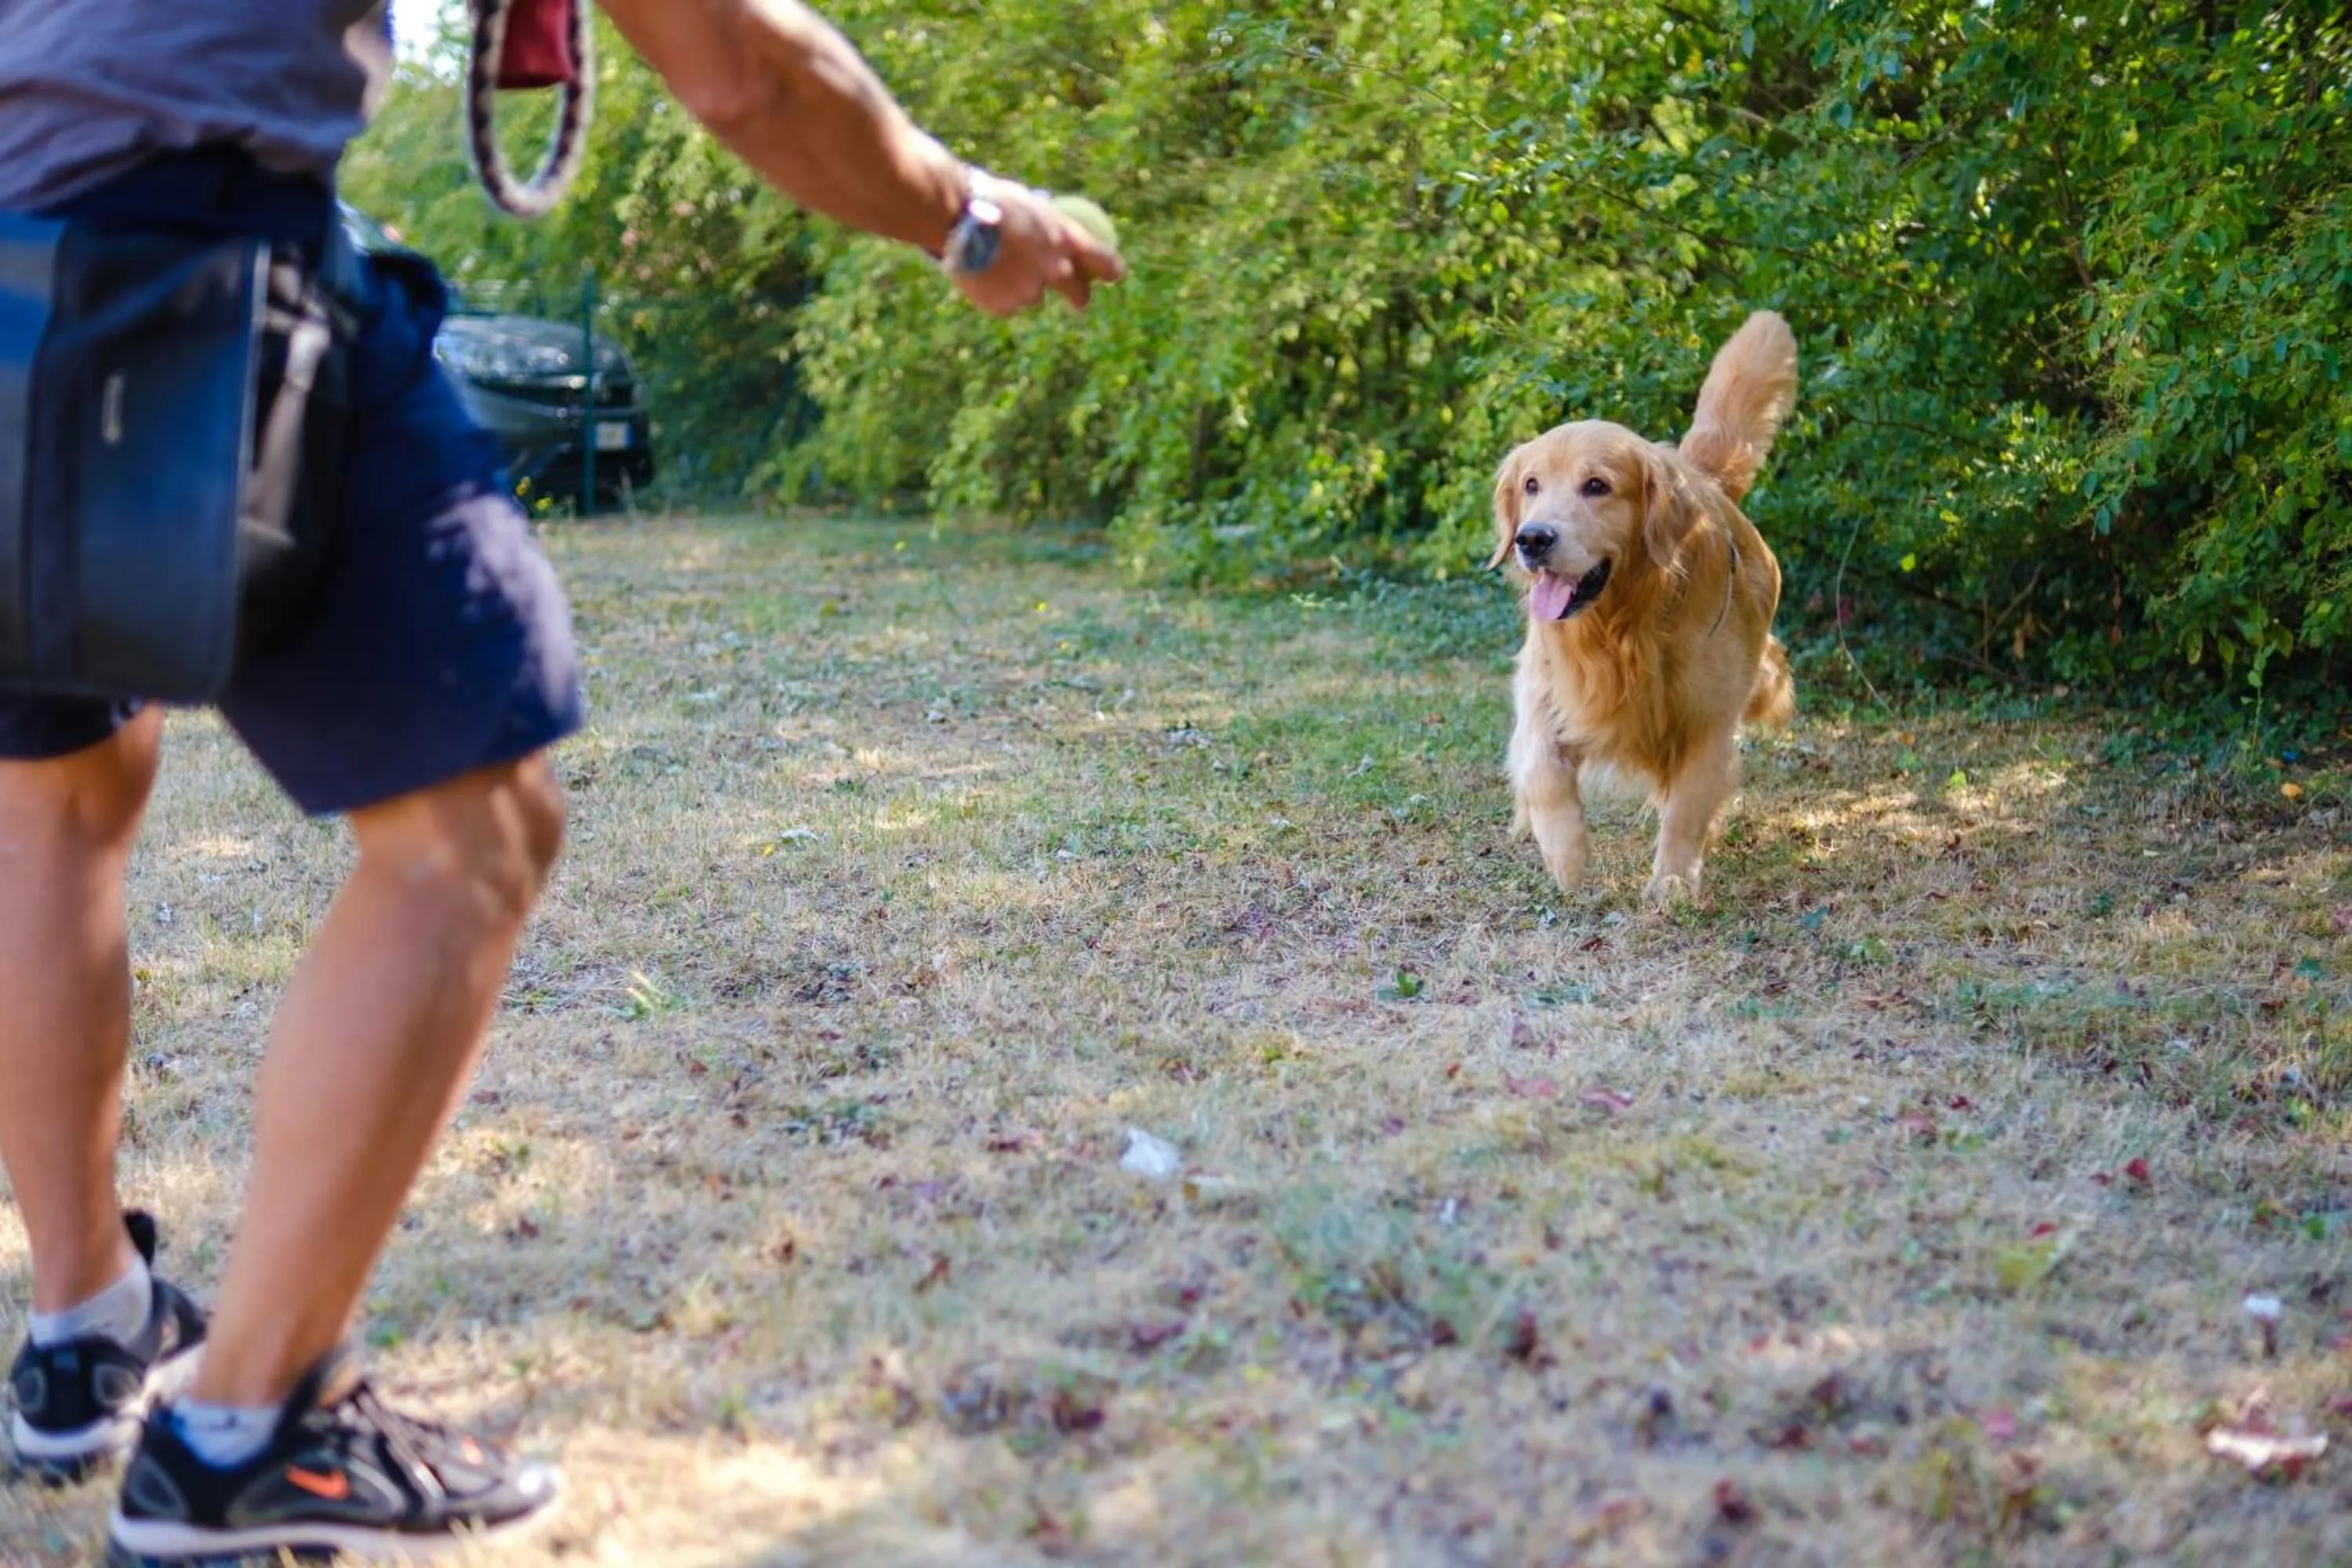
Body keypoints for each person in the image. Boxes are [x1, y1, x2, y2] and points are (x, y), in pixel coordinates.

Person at [0, 1, 1122, 1560]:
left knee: (51, 789)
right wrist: (971, 216)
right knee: (473, 832)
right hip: (185, 251)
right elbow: (738, 64)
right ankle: (249, 1430)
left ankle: (85, 1333)